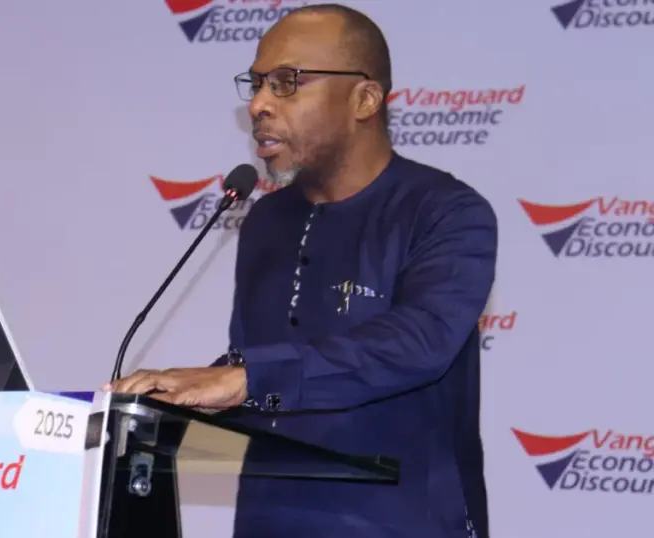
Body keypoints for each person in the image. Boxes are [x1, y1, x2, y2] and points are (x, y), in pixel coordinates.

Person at [104, 4, 496, 538]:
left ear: (365, 99)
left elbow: (419, 343)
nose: (259, 104)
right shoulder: (266, 218)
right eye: (257, 83)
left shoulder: (447, 211)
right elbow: (262, 373)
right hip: (269, 518)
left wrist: (244, 379)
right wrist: (172, 402)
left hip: (398, 521)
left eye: (286, 82)